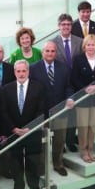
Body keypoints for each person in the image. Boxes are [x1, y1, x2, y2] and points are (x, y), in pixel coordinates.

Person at [0, 60, 44, 189]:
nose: (21, 73)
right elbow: (3, 112)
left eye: (24, 71)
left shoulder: (38, 87)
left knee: (33, 161)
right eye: (18, 71)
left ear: (28, 71)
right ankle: (18, 185)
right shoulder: (6, 88)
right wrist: (13, 128)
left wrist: (30, 127)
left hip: (33, 132)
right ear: (14, 72)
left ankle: (34, 188)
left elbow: (42, 110)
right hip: (14, 133)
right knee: (15, 162)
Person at [30, 41, 74, 176]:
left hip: (60, 110)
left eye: (52, 51)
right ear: (42, 52)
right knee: (42, 141)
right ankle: (42, 167)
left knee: (59, 140)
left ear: (56, 52)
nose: (50, 53)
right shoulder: (33, 68)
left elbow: (69, 86)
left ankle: (58, 164)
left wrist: (70, 98)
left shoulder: (64, 67)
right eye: (47, 51)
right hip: (41, 112)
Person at [71, 34, 95, 162]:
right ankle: (83, 151)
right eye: (88, 45)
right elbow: (74, 78)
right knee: (83, 126)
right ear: (84, 46)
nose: (90, 47)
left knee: (92, 126)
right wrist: (85, 88)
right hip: (83, 97)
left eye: (93, 45)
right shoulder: (78, 59)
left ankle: (90, 150)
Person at [52, 13, 82, 152]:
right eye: (63, 24)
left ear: (72, 26)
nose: (66, 27)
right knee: (59, 115)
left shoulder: (79, 41)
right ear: (59, 26)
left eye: (68, 24)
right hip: (59, 85)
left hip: (76, 84)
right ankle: (60, 143)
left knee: (73, 115)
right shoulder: (52, 43)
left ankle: (70, 141)